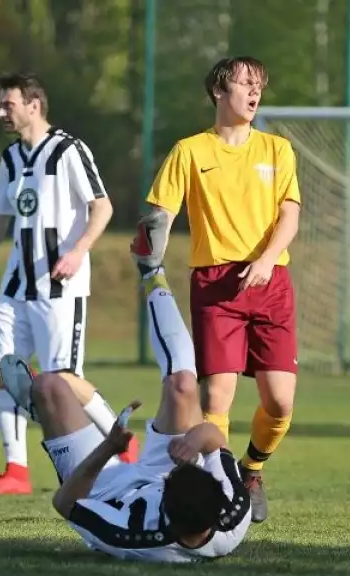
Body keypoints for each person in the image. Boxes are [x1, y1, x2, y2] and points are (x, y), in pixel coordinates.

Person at [131, 56, 301, 523]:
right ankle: (226, 490)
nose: (255, 92)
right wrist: (151, 252)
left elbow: (290, 214)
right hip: (216, 285)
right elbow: (159, 215)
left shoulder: (278, 149)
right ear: (219, 92)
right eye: (245, 83)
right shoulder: (190, 151)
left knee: (280, 402)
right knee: (217, 400)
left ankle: (251, 469)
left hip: (271, 281)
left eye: (259, 84)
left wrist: (266, 261)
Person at [0, 266, 251, 562]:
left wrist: (108, 448)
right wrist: (194, 442)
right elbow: (214, 438)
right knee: (183, 385)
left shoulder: (129, 536)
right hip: (163, 477)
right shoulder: (232, 513)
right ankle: (153, 269)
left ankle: (48, 413)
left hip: (105, 493)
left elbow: (64, 502)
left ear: (164, 509)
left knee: (48, 386)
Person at [0, 72, 138, 496]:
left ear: (34, 105)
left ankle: (123, 444)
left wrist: (79, 250)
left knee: (63, 380)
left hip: (61, 285)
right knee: (6, 369)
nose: (1, 112)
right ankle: (16, 471)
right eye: (1, 105)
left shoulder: (68, 151)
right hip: (16, 284)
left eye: (8, 105)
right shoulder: (9, 159)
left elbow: (103, 206)